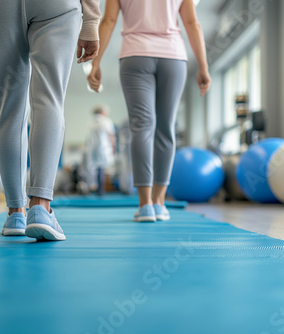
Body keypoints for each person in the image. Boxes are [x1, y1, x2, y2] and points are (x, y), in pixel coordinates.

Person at [0, 0, 101, 241]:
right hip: (57, 6)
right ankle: (40, 207)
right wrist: (91, 19)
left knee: (10, 106)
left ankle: (15, 212)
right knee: (49, 98)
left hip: (0, 6)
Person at [87, 0, 211, 222]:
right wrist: (203, 66)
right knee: (166, 127)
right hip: (173, 57)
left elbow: (109, 20)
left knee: (141, 127)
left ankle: (145, 205)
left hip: (135, 55)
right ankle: (160, 203)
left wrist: (96, 63)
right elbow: (192, 23)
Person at [85, 104, 116, 195]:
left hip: (93, 148)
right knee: (102, 168)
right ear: (103, 112)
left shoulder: (91, 122)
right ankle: (101, 190)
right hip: (103, 147)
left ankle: (96, 188)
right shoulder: (106, 121)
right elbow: (111, 135)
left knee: (94, 169)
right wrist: (114, 147)